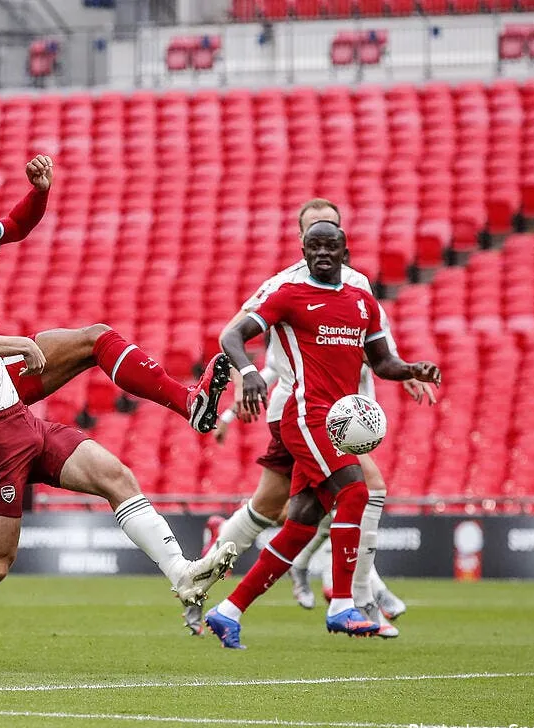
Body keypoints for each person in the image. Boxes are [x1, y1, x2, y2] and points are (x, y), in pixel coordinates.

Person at [0, 149, 233, 644]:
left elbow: (17, 225)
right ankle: (188, 404)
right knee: (94, 339)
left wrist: (39, 192)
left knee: (0, 522)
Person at [182, 199, 432, 637]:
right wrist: (244, 380)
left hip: (341, 414)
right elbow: (233, 334)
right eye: (313, 240)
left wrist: (408, 370)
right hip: (302, 411)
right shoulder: (286, 289)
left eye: (329, 238)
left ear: (343, 244)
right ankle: (350, 602)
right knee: (360, 490)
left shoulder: (360, 294)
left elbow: (380, 357)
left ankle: (226, 607)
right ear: (301, 243)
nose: (321, 249)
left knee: (290, 517)